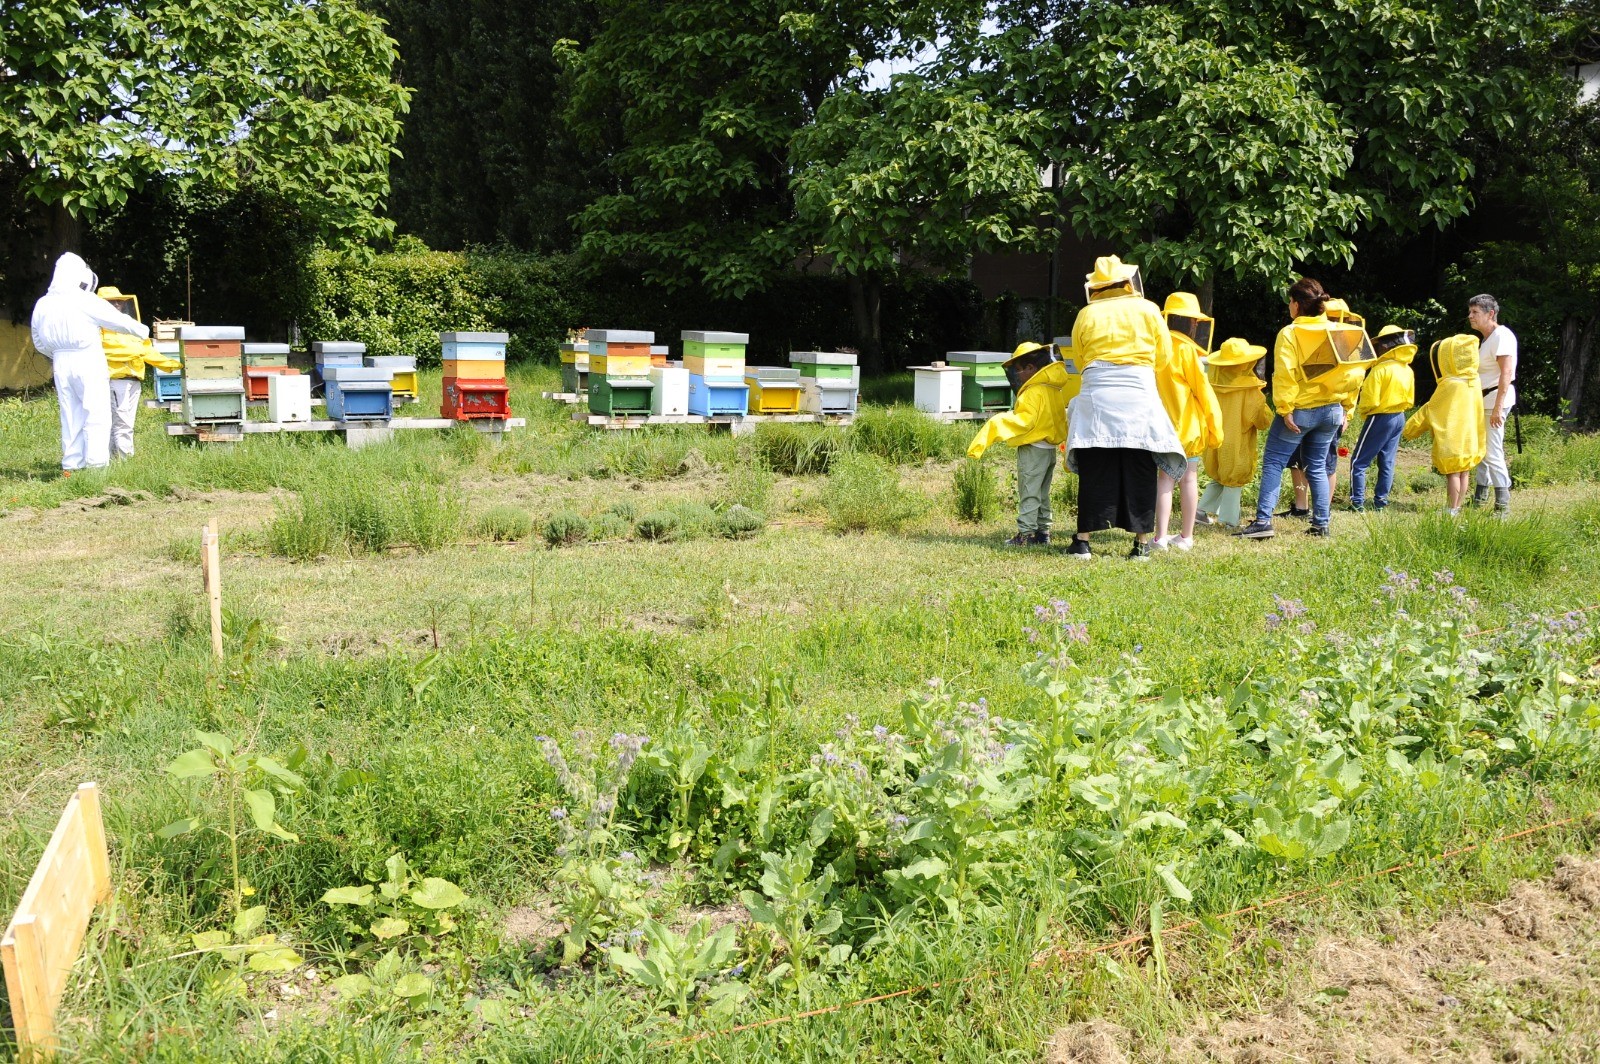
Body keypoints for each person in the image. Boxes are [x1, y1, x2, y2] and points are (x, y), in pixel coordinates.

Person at [1063, 255, 1187, 561]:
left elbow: (1080, 359)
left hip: (1098, 391)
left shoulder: (1086, 314)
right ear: (1128, 281)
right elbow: (1163, 355)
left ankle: (1082, 541)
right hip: (1138, 389)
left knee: (1096, 462)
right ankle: (1141, 543)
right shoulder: (1148, 309)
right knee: (1140, 461)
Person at [1235, 278, 1369, 540]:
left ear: (1296, 305)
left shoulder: (1290, 333)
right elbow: (1355, 372)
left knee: (1274, 461)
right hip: (1332, 409)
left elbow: (1285, 373)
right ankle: (1321, 524)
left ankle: (1263, 522)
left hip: (1301, 409)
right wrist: (1347, 409)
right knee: (1317, 465)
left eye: (1290, 302)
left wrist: (1285, 409)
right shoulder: (1338, 330)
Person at [30, 253, 149, 474]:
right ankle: (96, 466)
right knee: (97, 412)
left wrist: (57, 353)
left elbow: (38, 341)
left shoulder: (43, 304)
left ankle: (72, 466)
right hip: (87, 358)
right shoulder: (84, 300)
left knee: (70, 414)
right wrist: (143, 331)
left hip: (60, 363)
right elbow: (117, 320)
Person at [967, 342, 1071, 546]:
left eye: (1018, 370)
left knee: (1029, 491)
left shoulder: (1033, 391)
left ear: (1031, 369)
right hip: (1049, 450)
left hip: (1033, 449)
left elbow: (1025, 421)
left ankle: (1025, 535)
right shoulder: (1053, 389)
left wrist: (997, 422)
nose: (1017, 376)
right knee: (1042, 492)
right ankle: (1043, 533)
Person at [1152, 292, 1224, 551]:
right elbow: (1204, 393)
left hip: (1161, 429)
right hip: (1189, 430)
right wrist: (1216, 430)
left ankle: (1160, 538)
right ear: (1191, 323)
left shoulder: (1155, 348)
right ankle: (1185, 537)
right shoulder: (1187, 352)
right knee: (1189, 480)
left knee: (1164, 480)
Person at [1403, 334, 1487, 514]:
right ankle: (1457, 507)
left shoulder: (1450, 384)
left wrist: (1409, 430)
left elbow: (1431, 409)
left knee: (1453, 474)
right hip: (1470, 436)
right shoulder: (1474, 380)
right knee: (1464, 472)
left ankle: (1451, 509)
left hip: (1453, 437)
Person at [1199, 338, 1273, 528]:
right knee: (1233, 481)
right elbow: (1262, 421)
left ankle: (1200, 512)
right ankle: (1229, 521)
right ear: (1246, 363)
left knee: (1218, 476)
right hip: (1236, 444)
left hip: (1214, 440)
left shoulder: (1212, 385)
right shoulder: (1251, 393)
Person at [98, 286, 178, 459]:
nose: (117, 304)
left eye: (119, 301)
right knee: (121, 422)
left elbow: (146, 350)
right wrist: (135, 351)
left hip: (134, 380)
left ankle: (113, 460)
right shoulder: (97, 328)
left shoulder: (129, 326)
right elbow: (108, 352)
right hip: (115, 380)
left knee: (125, 422)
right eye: (112, 301)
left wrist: (173, 365)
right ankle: (124, 461)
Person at [1347, 325, 1417, 512]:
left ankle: (1357, 503)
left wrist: (1363, 413)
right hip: (1399, 416)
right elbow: (1410, 398)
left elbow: (1370, 399)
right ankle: (1380, 502)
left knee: (1358, 461)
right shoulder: (1407, 369)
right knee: (1387, 461)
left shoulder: (1381, 370)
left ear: (1387, 346)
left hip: (1380, 417)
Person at [1466, 294, 1517, 514]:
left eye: (1475, 312)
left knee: (1493, 451)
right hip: (1483, 400)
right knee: (1482, 450)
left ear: (1491, 313)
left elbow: (1506, 372)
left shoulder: (1501, 335)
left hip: (1495, 400)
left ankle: (1502, 505)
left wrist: (1497, 408)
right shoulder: (1486, 339)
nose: (1470, 316)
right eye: (1470, 312)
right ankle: (1479, 497)